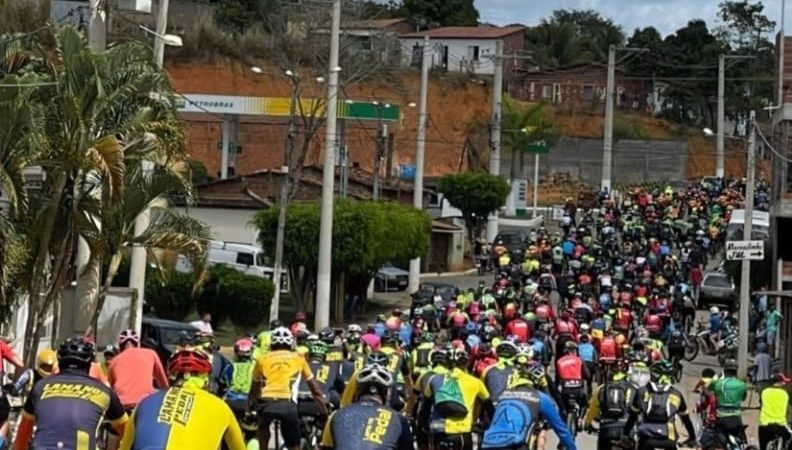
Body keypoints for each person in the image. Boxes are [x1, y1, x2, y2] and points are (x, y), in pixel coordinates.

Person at [119, 348, 245, 450]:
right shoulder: (221, 407)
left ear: (171, 378)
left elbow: (124, 447)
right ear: (207, 380)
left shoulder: (145, 402)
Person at [15, 336, 128, 450]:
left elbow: (23, 434)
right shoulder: (104, 392)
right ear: (90, 363)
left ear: (58, 361)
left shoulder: (40, 387)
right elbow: (128, 432)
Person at [248, 327, 328, 450]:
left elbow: (254, 390)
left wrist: (249, 409)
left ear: (272, 343)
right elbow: (315, 390)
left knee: (263, 426)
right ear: (291, 342)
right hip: (287, 404)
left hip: (265, 403)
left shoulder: (262, 359)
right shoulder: (299, 358)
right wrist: (323, 413)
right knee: (293, 441)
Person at [481, 362, 578, 450]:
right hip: (514, 444)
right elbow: (561, 430)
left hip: (487, 443)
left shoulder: (503, 394)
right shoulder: (540, 397)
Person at [320, 364, 413, 450]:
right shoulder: (398, 419)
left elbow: (325, 448)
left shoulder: (336, 415)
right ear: (386, 394)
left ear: (357, 391)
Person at [423, 347, 491, 450]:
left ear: (446, 362)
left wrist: (422, 432)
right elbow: (490, 409)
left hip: (439, 433)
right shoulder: (476, 382)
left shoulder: (434, 379)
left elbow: (424, 410)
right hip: (462, 433)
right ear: (466, 363)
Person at [622, 360, 697, 450]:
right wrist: (692, 437)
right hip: (669, 440)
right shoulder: (676, 394)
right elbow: (686, 419)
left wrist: (625, 434)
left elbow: (632, 417)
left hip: (646, 439)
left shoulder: (642, 392)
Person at [109, 329, 169, 412]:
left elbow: (111, 389)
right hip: (143, 404)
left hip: (121, 406)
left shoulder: (114, 361)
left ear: (120, 346)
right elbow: (163, 385)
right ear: (137, 344)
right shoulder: (151, 354)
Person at [584, 362, 635, 450]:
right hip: (626, 429)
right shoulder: (632, 388)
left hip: (606, 428)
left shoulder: (601, 388)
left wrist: (587, 423)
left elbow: (593, 408)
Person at [708, 359, 748, 443]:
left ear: (724, 370)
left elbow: (709, 388)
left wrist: (718, 376)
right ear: (736, 371)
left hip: (721, 417)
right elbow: (743, 398)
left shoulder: (718, 384)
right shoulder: (742, 385)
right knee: (741, 442)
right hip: (736, 418)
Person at [758, 373, 792, 449]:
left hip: (764, 425)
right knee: (789, 437)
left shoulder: (764, 391)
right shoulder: (785, 394)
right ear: (780, 382)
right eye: (784, 382)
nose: (785, 384)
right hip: (780, 425)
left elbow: (761, 403)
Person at [225, 337, 256, 415]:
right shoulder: (255, 367)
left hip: (232, 399)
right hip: (249, 400)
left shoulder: (231, 366)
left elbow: (224, 380)